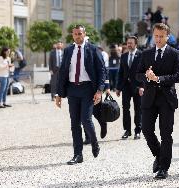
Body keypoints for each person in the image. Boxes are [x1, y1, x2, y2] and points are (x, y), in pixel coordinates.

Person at [136, 23, 179, 179]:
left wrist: (159, 79)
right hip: (149, 98)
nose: (158, 39)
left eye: (161, 36)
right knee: (147, 130)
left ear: (167, 36)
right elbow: (137, 74)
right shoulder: (146, 53)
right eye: (156, 36)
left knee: (166, 134)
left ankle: (164, 168)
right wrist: (146, 76)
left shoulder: (175, 54)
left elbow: (178, 76)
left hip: (167, 98)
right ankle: (159, 155)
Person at [56, 25, 106, 165]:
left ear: (84, 34)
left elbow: (102, 71)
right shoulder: (68, 50)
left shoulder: (92, 49)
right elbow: (63, 73)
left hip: (87, 89)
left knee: (86, 120)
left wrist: (99, 90)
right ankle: (78, 155)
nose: (78, 36)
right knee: (74, 124)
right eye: (75, 34)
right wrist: (59, 94)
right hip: (72, 90)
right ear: (72, 35)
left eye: (80, 33)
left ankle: (94, 142)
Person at [116, 36, 143, 140]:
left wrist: (142, 86)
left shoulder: (141, 55)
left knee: (138, 109)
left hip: (138, 86)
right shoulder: (123, 56)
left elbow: (145, 72)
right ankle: (127, 130)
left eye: (131, 43)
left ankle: (138, 131)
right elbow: (121, 72)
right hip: (126, 87)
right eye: (128, 43)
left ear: (135, 44)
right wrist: (118, 88)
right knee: (125, 109)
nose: (129, 45)